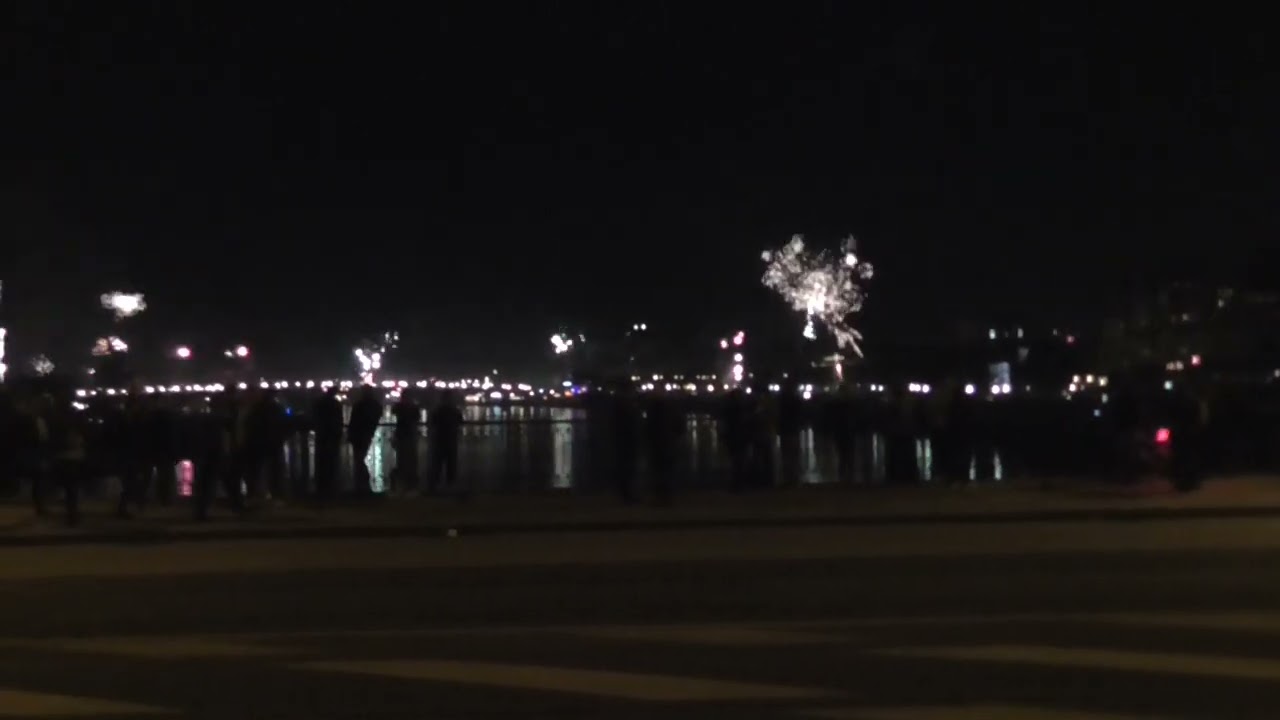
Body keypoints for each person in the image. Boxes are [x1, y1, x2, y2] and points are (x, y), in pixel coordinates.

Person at [426, 391, 464, 495]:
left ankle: (434, 486)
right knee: (451, 464)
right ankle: (450, 485)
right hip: (451, 440)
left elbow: (432, 423)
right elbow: (461, 421)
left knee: (437, 464)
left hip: (439, 440)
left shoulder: (438, 410)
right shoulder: (455, 411)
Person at [348, 387, 383, 496]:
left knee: (358, 459)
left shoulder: (359, 405)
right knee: (360, 459)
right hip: (366, 434)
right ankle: (364, 484)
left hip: (358, 435)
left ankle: (361, 484)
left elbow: (353, 420)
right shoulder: (375, 405)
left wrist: (350, 434)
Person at [312, 387, 343, 501]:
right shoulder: (335, 404)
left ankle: (321, 488)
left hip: (322, 436)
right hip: (332, 437)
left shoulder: (320, 403)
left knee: (322, 462)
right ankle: (331, 487)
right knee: (331, 462)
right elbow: (339, 420)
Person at [391, 392, 421, 494]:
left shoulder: (399, 407)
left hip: (402, 436)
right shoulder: (413, 408)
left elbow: (394, 411)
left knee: (402, 460)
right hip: (409, 436)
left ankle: (400, 484)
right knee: (410, 461)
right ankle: (410, 485)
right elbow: (416, 418)